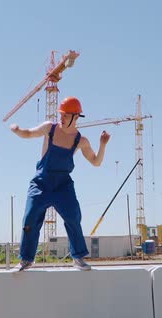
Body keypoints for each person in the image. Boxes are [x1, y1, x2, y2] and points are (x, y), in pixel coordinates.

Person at [9, 96, 110, 271]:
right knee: (30, 218)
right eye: (61, 114)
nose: (61, 118)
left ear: (76, 116)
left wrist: (103, 145)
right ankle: (26, 259)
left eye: (65, 115)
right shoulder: (50, 128)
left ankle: (78, 258)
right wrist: (18, 130)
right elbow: (29, 133)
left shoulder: (81, 140)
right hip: (41, 183)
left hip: (63, 186)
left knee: (73, 217)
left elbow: (96, 162)